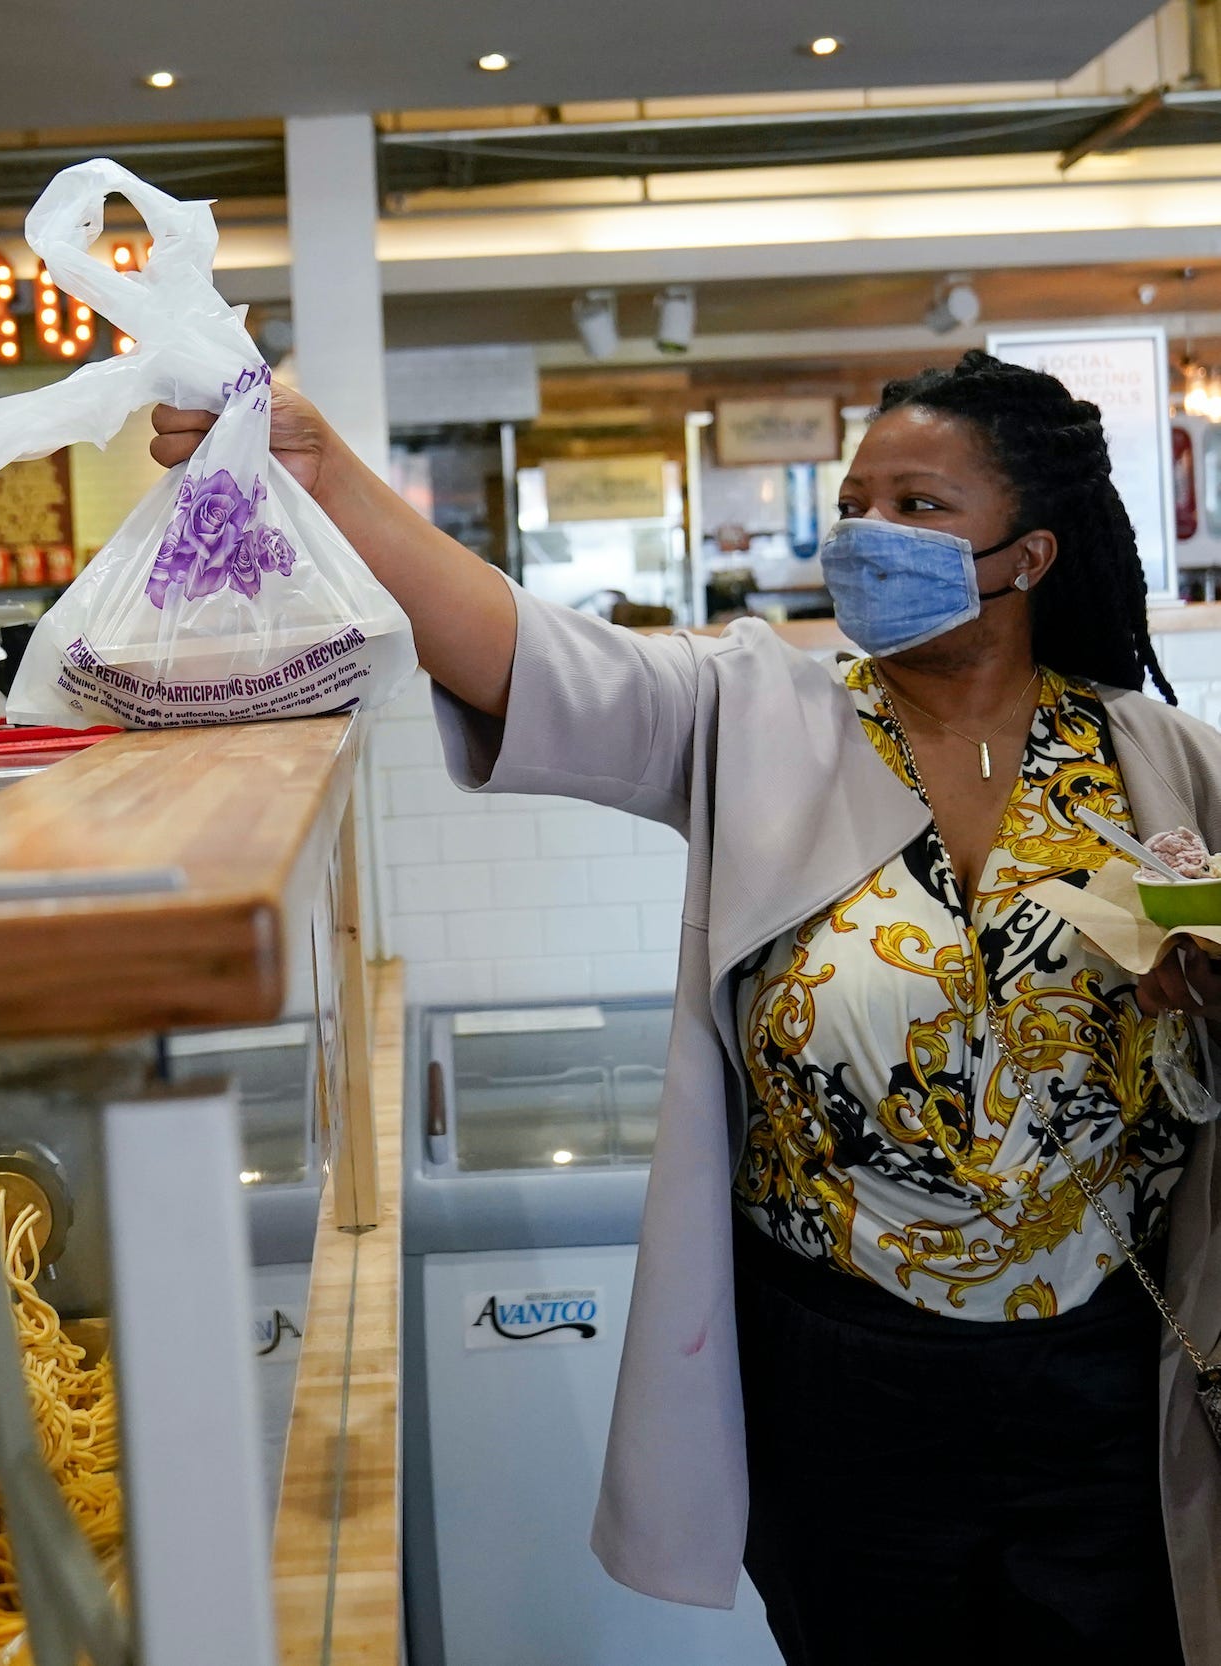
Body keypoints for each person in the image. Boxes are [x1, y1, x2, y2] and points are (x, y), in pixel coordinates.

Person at [154, 350, 1221, 1663]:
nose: (866, 535)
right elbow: (514, 646)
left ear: (1032, 552)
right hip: (841, 1377)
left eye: (918, 506)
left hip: (1111, 1367)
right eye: (854, 499)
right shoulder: (752, 712)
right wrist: (319, 472)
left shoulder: (1152, 758)